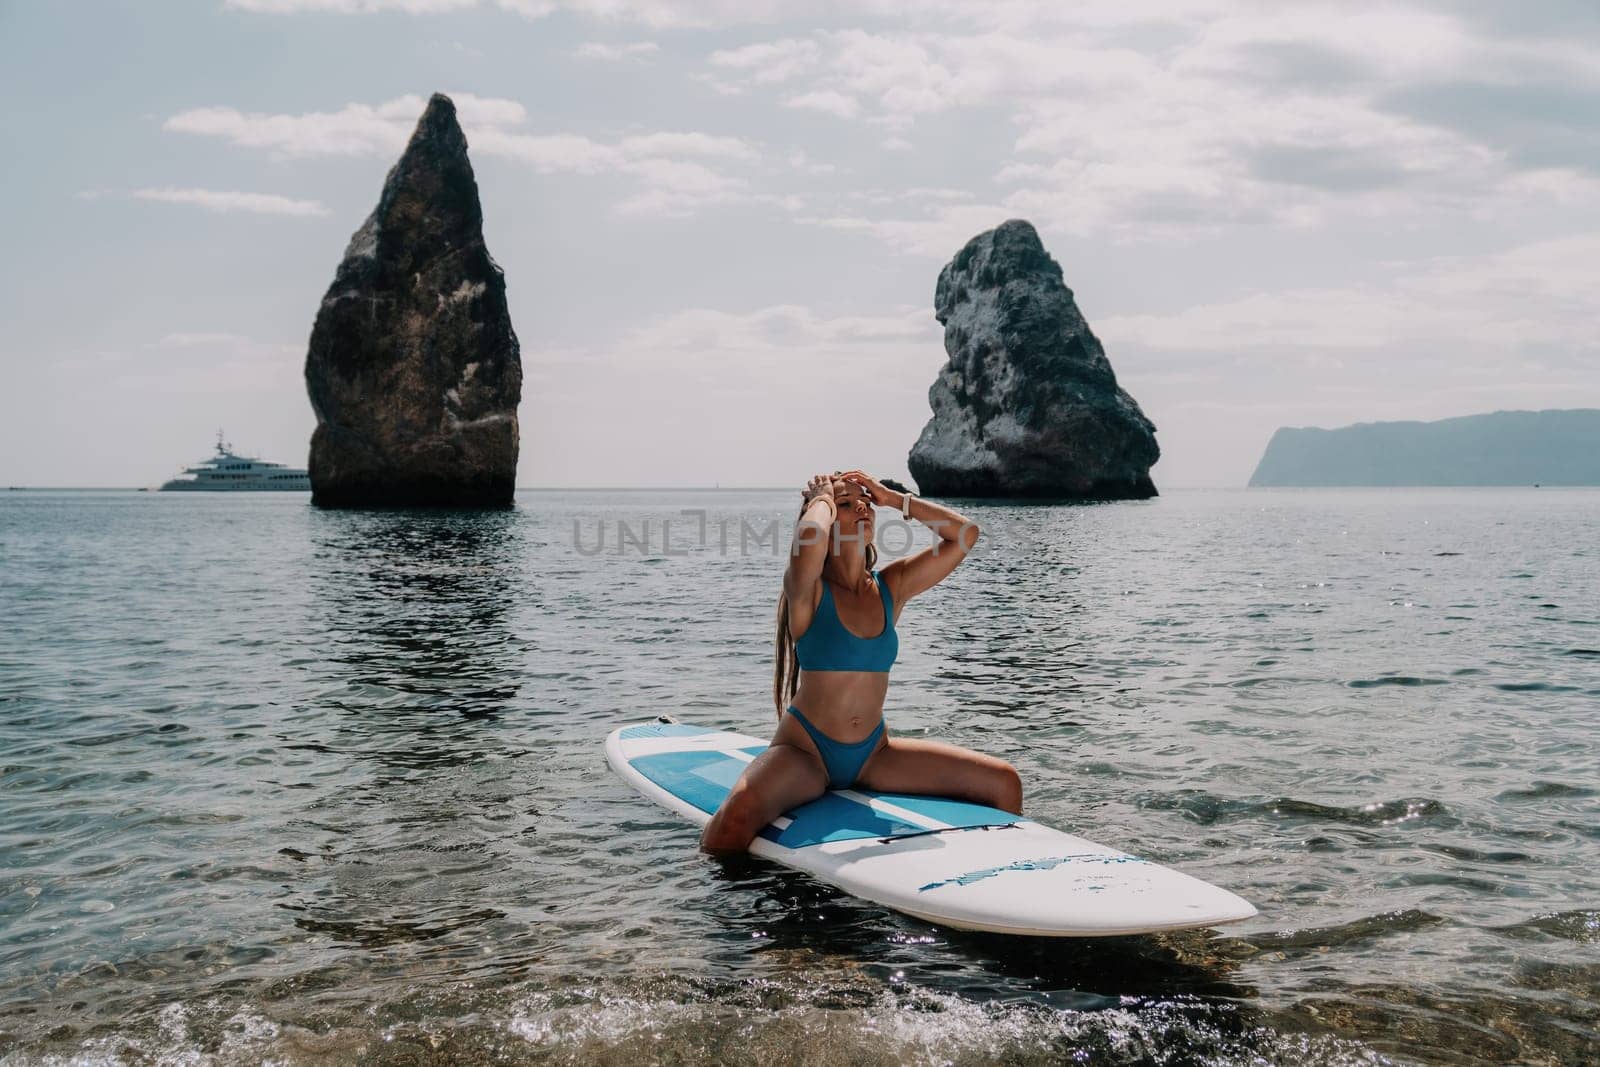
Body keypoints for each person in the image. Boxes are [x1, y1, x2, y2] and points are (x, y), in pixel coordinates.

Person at [700, 469, 1023, 854]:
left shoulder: (892, 587)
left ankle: (1001, 872)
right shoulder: (807, 591)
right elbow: (809, 541)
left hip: (874, 754)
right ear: (827, 520)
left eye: (864, 504)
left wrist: (892, 498)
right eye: (847, 506)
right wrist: (821, 499)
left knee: (1005, 783)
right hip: (806, 753)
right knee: (734, 819)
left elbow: (964, 534)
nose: (862, 510)